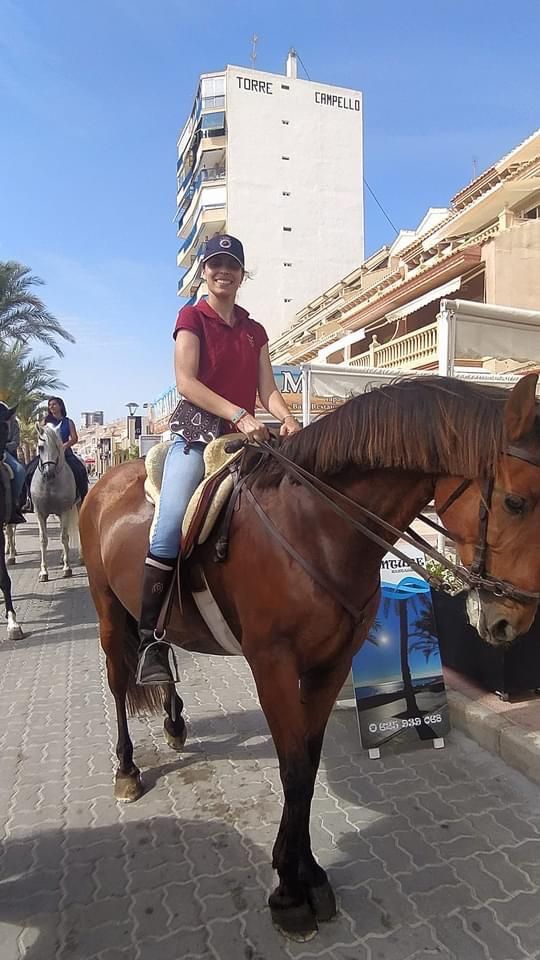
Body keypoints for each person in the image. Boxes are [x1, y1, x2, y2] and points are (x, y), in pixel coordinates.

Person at [137, 234, 301, 685]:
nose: (222, 271)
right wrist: (238, 413)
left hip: (243, 440)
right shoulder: (192, 316)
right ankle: (149, 639)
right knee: (170, 525)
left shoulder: (254, 330)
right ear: (204, 271)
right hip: (196, 437)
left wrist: (287, 418)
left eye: (231, 264)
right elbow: (186, 382)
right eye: (215, 264)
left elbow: (267, 388)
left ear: (241, 273)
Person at [34, 397, 89, 503]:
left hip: (65, 452)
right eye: (50, 405)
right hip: (47, 453)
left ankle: (83, 496)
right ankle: (30, 499)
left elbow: (74, 438)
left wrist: (64, 446)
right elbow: (40, 436)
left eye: (54, 404)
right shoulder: (45, 421)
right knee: (30, 470)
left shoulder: (68, 422)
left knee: (79, 469)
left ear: (60, 406)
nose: (51, 407)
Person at [0, 402, 26, 524]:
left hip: (6, 451)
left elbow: (16, 442)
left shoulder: (13, 423)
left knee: (20, 471)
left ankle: (14, 504)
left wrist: (4, 446)